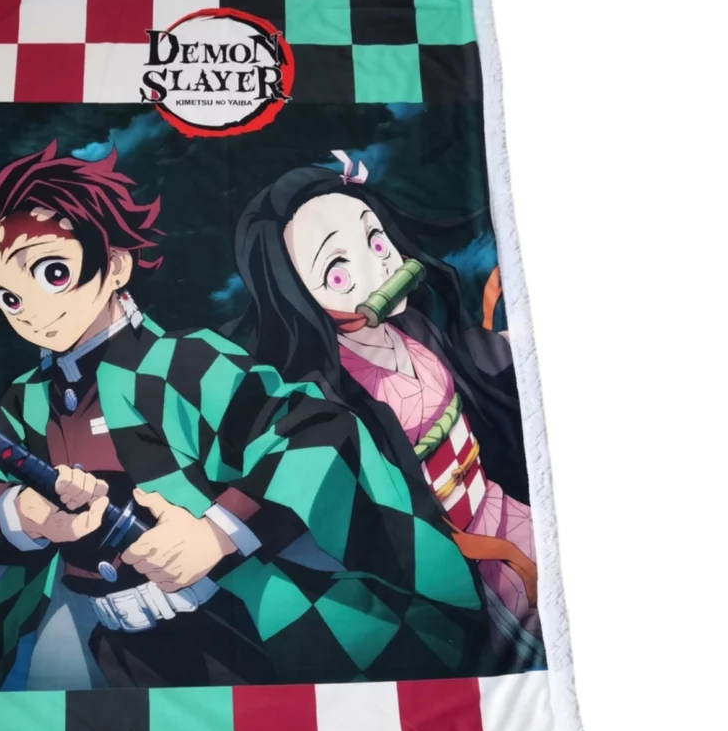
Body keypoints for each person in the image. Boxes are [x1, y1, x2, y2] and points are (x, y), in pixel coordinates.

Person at [0, 140, 496, 692]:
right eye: (7, 297)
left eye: (52, 274)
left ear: (115, 265)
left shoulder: (184, 364)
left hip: (232, 633)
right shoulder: (29, 401)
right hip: (102, 648)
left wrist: (216, 534)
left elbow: (315, 433)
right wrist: (27, 514)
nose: (30, 311)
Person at [233, 154, 544, 671]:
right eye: (338, 271)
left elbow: (470, 360)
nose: (378, 269)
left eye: (376, 242)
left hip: (499, 505)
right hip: (460, 553)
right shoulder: (329, 394)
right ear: (297, 293)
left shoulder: (413, 328)